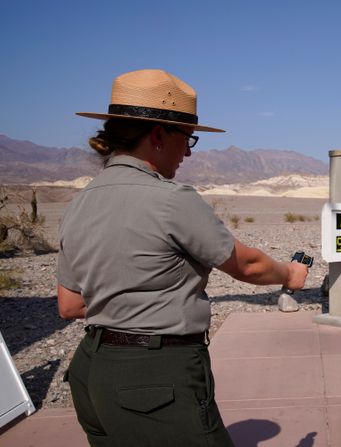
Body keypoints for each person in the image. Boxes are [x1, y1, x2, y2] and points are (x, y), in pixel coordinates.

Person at [57, 69, 308, 446]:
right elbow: (247, 264)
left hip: (91, 374)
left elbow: (71, 304)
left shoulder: (81, 201)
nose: (188, 154)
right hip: (156, 380)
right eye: (188, 140)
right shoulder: (171, 199)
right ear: (158, 135)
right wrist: (290, 274)